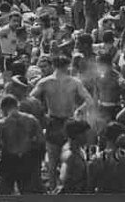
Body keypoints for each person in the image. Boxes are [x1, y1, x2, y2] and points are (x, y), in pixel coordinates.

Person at [30, 54, 94, 191]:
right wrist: (79, 111)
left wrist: (42, 115)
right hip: (69, 124)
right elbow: (90, 101)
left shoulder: (45, 82)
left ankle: (53, 191)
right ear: (68, 66)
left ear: (54, 66)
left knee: (52, 165)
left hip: (53, 122)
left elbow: (30, 100)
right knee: (72, 159)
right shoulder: (74, 82)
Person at [0, 94, 45, 194]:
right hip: (26, 159)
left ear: (3, 108)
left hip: (9, 159)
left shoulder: (2, 124)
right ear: (17, 105)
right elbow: (41, 141)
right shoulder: (32, 120)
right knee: (27, 193)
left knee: (5, 194)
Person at [56, 119, 91, 193]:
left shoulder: (80, 150)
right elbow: (64, 181)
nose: (87, 136)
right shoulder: (69, 156)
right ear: (76, 135)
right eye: (84, 134)